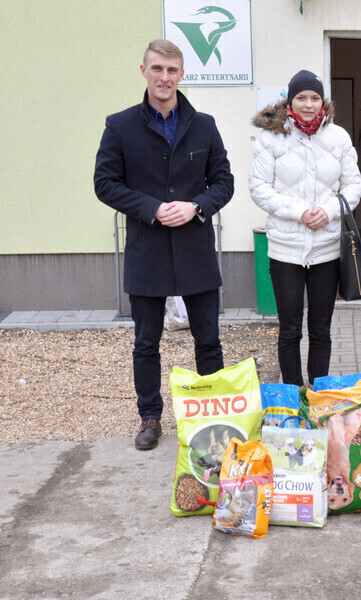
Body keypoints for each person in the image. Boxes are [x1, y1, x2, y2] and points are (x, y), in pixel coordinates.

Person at [94, 40, 234, 451]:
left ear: (181, 74)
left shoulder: (204, 124)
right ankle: (150, 417)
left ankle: (217, 413)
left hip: (194, 245)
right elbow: (105, 184)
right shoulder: (119, 126)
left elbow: (223, 182)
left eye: (171, 70)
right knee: (146, 342)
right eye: (157, 69)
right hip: (147, 248)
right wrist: (152, 208)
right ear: (143, 71)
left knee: (208, 339)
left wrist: (196, 206)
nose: (164, 77)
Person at [249, 70, 361, 388]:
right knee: (289, 328)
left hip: (326, 248)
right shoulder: (271, 138)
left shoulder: (338, 137)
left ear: (323, 102)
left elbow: (354, 186)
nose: (308, 104)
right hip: (285, 247)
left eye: (314, 98)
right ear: (290, 102)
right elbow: (260, 188)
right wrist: (300, 213)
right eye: (301, 98)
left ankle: (319, 391)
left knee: (321, 328)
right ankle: (292, 390)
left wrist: (328, 212)